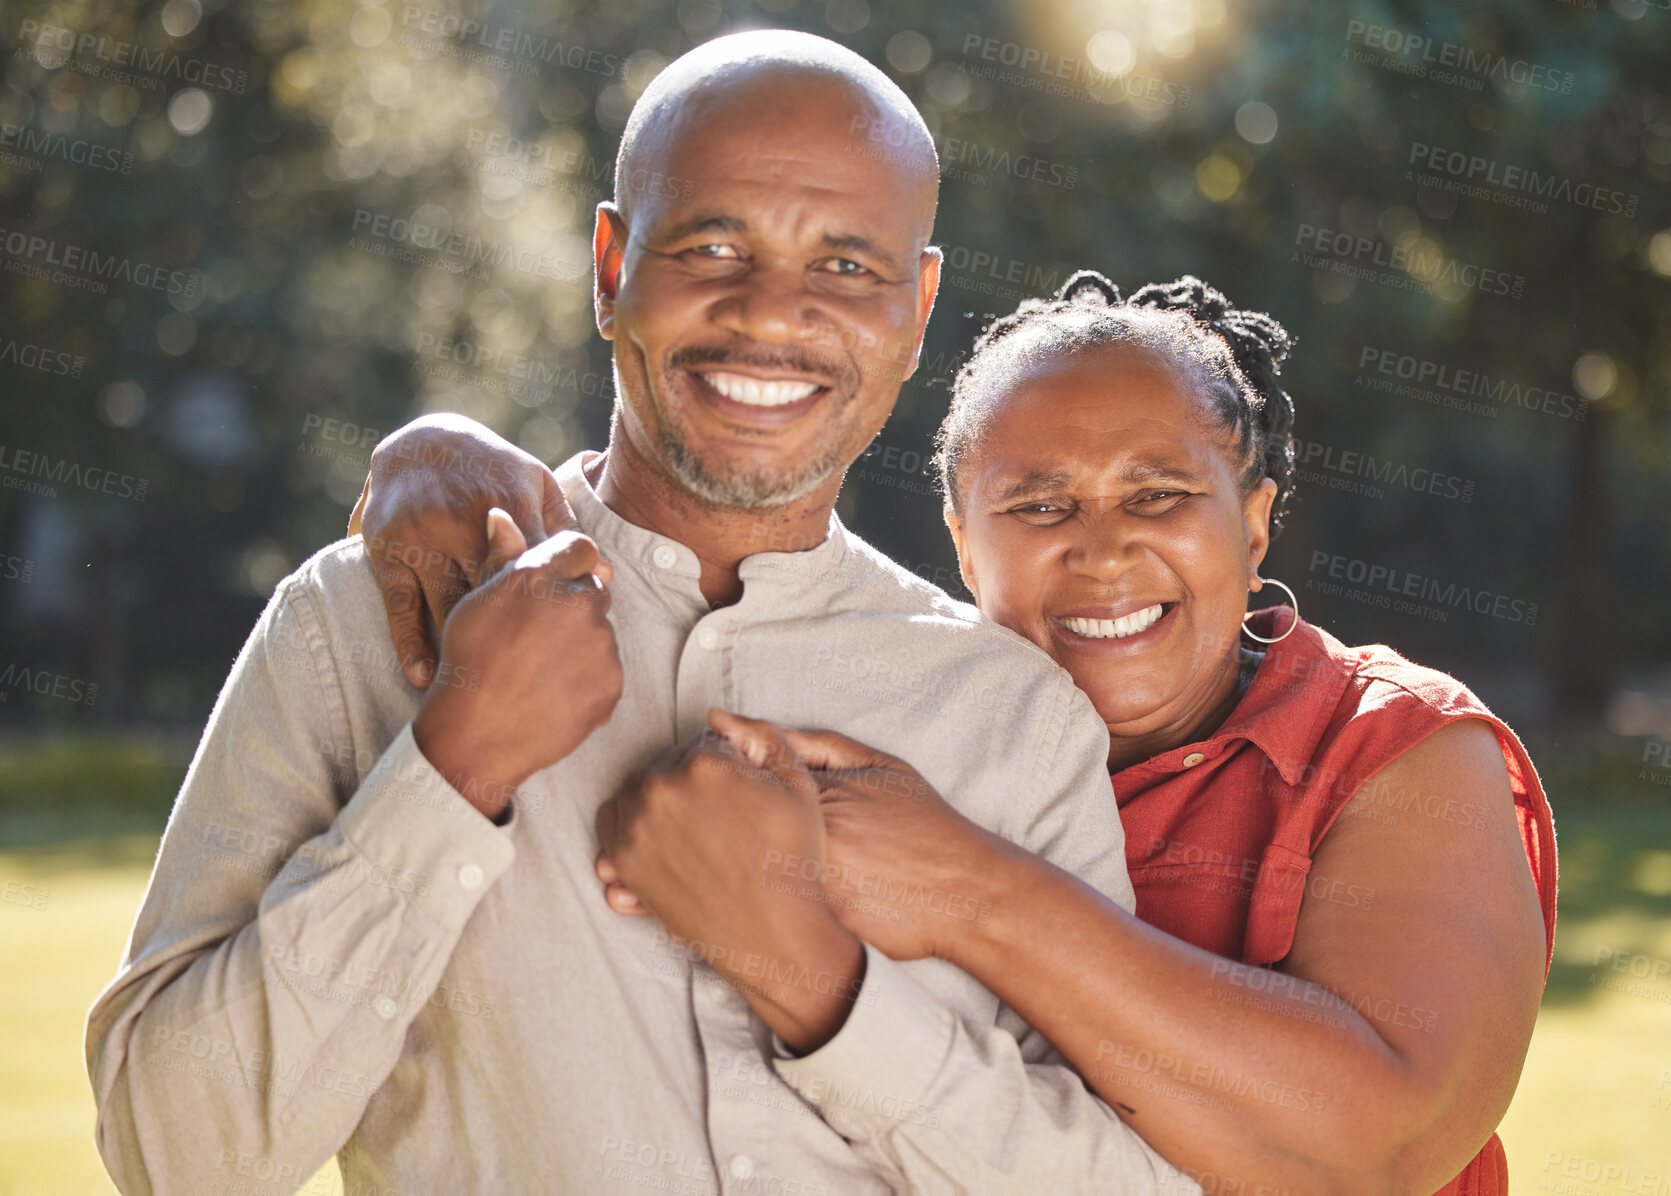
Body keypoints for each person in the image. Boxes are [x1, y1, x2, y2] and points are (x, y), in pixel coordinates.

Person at [84, 32, 1195, 1195]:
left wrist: (817, 982)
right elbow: (171, 1159)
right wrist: (451, 766)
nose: (773, 313)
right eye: (713, 243)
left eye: (847, 266)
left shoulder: (1015, 716)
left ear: (916, 309)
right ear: (611, 263)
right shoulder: (364, 623)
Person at [359, 274, 1556, 1194]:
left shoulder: (1397, 747)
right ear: (963, 542)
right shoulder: (895, 717)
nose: (1101, 548)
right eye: (1038, 504)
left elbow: (1379, 1141)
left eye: (1160, 494)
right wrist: (437, 451)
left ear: (1255, 522)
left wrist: (977, 891)